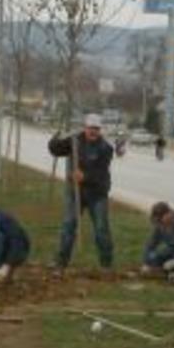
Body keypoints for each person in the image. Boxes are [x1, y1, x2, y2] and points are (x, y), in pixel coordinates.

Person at [48, 114, 114, 270]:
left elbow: (101, 173)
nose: (93, 132)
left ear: (100, 130)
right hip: (75, 192)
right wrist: (56, 137)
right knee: (68, 225)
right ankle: (61, 262)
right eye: (91, 128)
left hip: (97, 194)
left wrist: (85, 176)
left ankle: (106, 264)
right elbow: (56, 150)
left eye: (96, 129)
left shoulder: (105, 148)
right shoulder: (74, 141)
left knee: (101, 228)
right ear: (85, 128)